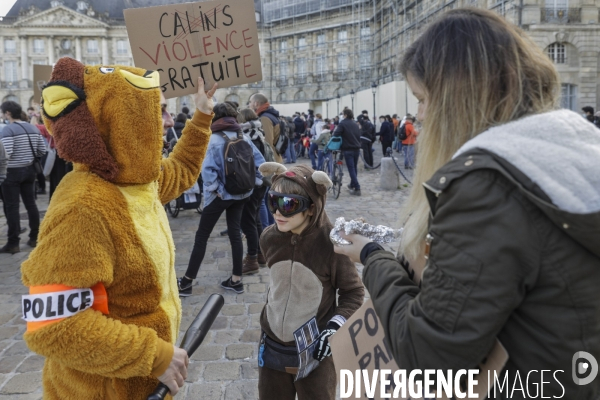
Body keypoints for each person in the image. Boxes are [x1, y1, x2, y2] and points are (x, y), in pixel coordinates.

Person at [333, 8, 600, 399]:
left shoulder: (486, 189)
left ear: (459, 96)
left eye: (424, 99)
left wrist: (372, 257)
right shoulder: (568, 148)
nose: (419, 115)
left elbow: (429, 356)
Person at [21, 58, 218, 399]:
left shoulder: (139, 184)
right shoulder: (82, 206)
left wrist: (202, 114)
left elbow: (183, 169)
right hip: (104, 391)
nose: (167, 121)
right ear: (127, 120)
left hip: (144, 385)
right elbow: (54, 327)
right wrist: (153, 356)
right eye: (159, 111)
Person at [257, 162, 364, 400]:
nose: (277, 213)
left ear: (311, 208)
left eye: (288, 205)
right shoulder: (269, 238)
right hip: (272, 346)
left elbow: (354, 292)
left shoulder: (332, 244)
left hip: (315, 351)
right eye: (273, 201)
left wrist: (333, 328)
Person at [178, 102, 265, 296]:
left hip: (220, 196)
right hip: (242, 193)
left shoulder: (213, 139)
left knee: (202, 236)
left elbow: (207, 169)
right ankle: (236, 280)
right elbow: (261, 162)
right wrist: (255, 182)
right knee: (235, 234)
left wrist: (215, 189)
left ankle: (186, 282)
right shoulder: (243, 136)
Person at [0, 101, 46, 253]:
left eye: (2, 112)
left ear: (7, 113)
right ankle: (34, 237)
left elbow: (6, 154)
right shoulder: (32, 128)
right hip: (30, 171)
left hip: (12, 172)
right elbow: (42, 150)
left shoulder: (8, 130)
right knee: (31, 204)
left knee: (12, 206)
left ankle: (13, 243)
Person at [237, 108, 269, 274]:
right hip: (261, 181)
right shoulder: (259, 131)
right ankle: (260, 254)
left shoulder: (248, 135)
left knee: (249, 221)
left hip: (255, 181)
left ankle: (253, 258)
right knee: (254, 219)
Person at [333, 109, 362, 195]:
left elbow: (336, 134)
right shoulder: (355, 124)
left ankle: (357, 187)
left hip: (348, 148)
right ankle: (352, 184)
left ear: (345, 115)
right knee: (354, 168)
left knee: (351, 168)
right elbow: (358, 135)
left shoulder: (343, 123)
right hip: (356, 148)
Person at [249, 93, 282, 163]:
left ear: (256, 103)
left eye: (250, 102)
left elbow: (267, 143)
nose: (249, 105)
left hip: (270, 160)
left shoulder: (264, 118)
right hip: (273, 157)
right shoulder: (269, 115)